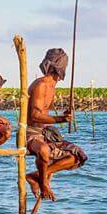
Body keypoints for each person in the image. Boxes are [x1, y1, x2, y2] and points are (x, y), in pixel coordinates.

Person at [26, 49, 87, 201]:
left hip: (45, 132)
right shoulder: (41, 85)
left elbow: (45, 112)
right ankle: (43, 182)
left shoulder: (52, 86)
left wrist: (64, 114)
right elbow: (34, 115)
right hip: (31, 133)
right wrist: (60, 119)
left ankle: (39, 176)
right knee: (44, 151)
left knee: (77, 156)